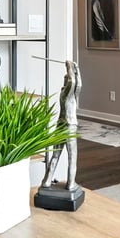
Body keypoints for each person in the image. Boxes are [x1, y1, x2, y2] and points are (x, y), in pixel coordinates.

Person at [40, 60, 81, 190]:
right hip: (70, 126)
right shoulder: (67, 94)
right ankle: (71, 183)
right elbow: (74, 82)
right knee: (72, 157)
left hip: (60, 125)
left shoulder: (68, 95)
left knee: (55, 155)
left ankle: (46, 181)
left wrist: (77, 70)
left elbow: (78, 84)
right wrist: (69, 67)